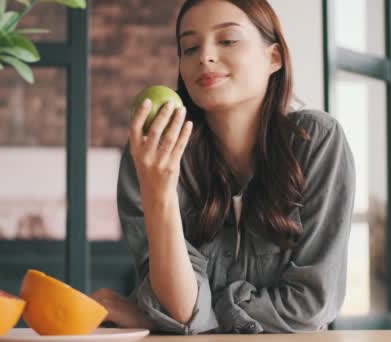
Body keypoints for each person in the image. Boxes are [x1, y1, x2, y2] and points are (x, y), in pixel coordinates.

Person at [90, 0, 356, 334]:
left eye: (227, 40)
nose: (205, 56)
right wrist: (160, 194)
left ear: (273, 57)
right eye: (189, 47)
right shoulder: (149, 155)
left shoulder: (317, 141)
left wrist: (171, 317)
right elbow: (179, 306)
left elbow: (309, 307)